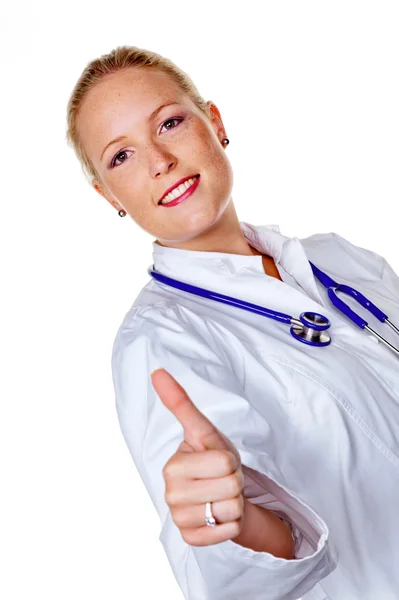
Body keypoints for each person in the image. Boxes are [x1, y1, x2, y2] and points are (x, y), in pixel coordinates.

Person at [65, 45, 399, 600]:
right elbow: (247, 558)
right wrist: (231, 519)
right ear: (109, 197)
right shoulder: (159, 343)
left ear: (214, 123)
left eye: (169, 123)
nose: (159, 160)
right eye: (120, 157)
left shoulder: (339, 259)